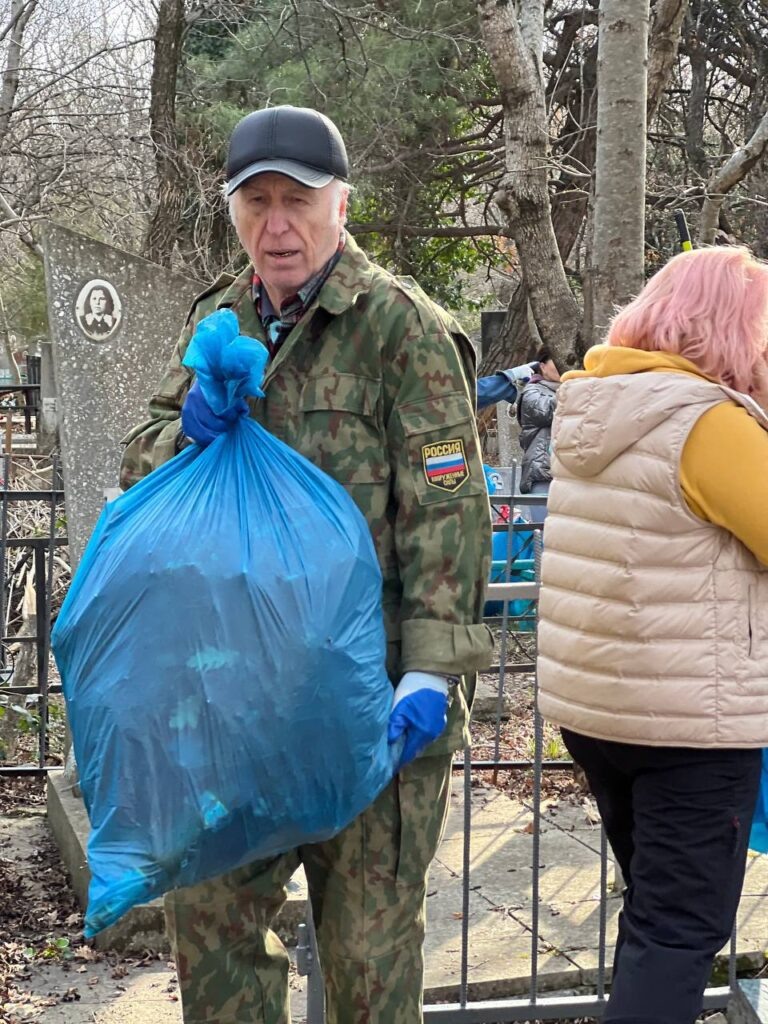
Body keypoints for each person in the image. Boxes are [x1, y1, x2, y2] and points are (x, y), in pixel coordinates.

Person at [119, 104, 493, 1024]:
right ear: (233, 210)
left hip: (372, 709)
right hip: (239, 704)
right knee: (211, 931)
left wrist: (432, 670)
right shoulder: (219, 319)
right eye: (256, 202)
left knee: (369, 959)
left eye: (298, 201)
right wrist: (185, 432)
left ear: (341, 206)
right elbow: (138, 465)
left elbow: (447, 510)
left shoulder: (400, 329)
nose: (276, 226)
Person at [537, 245, 768, 1024]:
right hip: (690, 725)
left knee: (654, 914)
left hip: (601, 712)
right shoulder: (706, 424)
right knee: (679, 933)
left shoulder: (600, 404)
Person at [477, 348, 560, 524]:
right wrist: (576, 389)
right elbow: (544, 411)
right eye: (557, 361)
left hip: (570, 473)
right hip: (542, 472)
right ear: (542, 366)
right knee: (545, 534)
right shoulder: (532, 391)